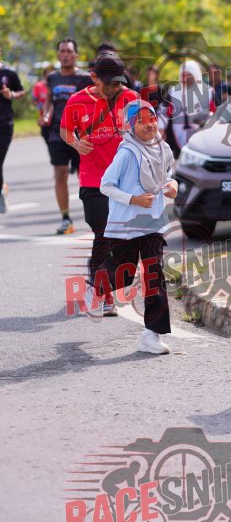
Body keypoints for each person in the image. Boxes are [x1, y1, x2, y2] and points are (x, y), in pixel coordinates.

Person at [84, 100, 177, 355]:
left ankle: (151, 335)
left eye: (152, 119)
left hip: (153, 223)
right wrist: (133, 199)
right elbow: (106, 185)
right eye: (141, 121)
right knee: (124, 274)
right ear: (130, 125)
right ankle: (95, 285)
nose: (149, 125)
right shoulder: (126, 153)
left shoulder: (163, 148)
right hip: (125, 225)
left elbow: (167, 176)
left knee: (154, 275)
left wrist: (173, 185)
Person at [60, 54, 138, 315]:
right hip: (93, 180)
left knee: (121, 241)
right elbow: (65, 130)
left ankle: (97, 276)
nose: (115, 88)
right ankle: (102, 293)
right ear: (95, 78)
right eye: (110, 83)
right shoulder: (77, 101)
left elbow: (147, 130)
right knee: (103, 234)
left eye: (119, 83)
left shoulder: (130, 98)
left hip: (125, 182)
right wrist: (75, 142)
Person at [41, 40, 91, 235]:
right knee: (59, 173)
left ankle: (94, 214)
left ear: (76, 54)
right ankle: (65, 218)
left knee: (84, 175)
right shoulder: (52, 77)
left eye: (69, 51)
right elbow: (49, 100)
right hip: (57, 132)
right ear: (58, 54)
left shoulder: (85, 78)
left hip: (81, 134)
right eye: (62, 51)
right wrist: (46, 114)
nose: (65, 55)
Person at [0, 48, 25, 213]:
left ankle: (1, 191)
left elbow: (21, 91)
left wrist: (11, 95)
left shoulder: (8, 73)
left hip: (4, 124)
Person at [32, 65, 53, 145]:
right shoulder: (38, 86)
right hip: (44, 119)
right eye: (48, 74)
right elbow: (34, 101)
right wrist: (43, 107)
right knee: (47, 138)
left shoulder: (57, 85)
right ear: (44, 75)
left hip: (57, 120)